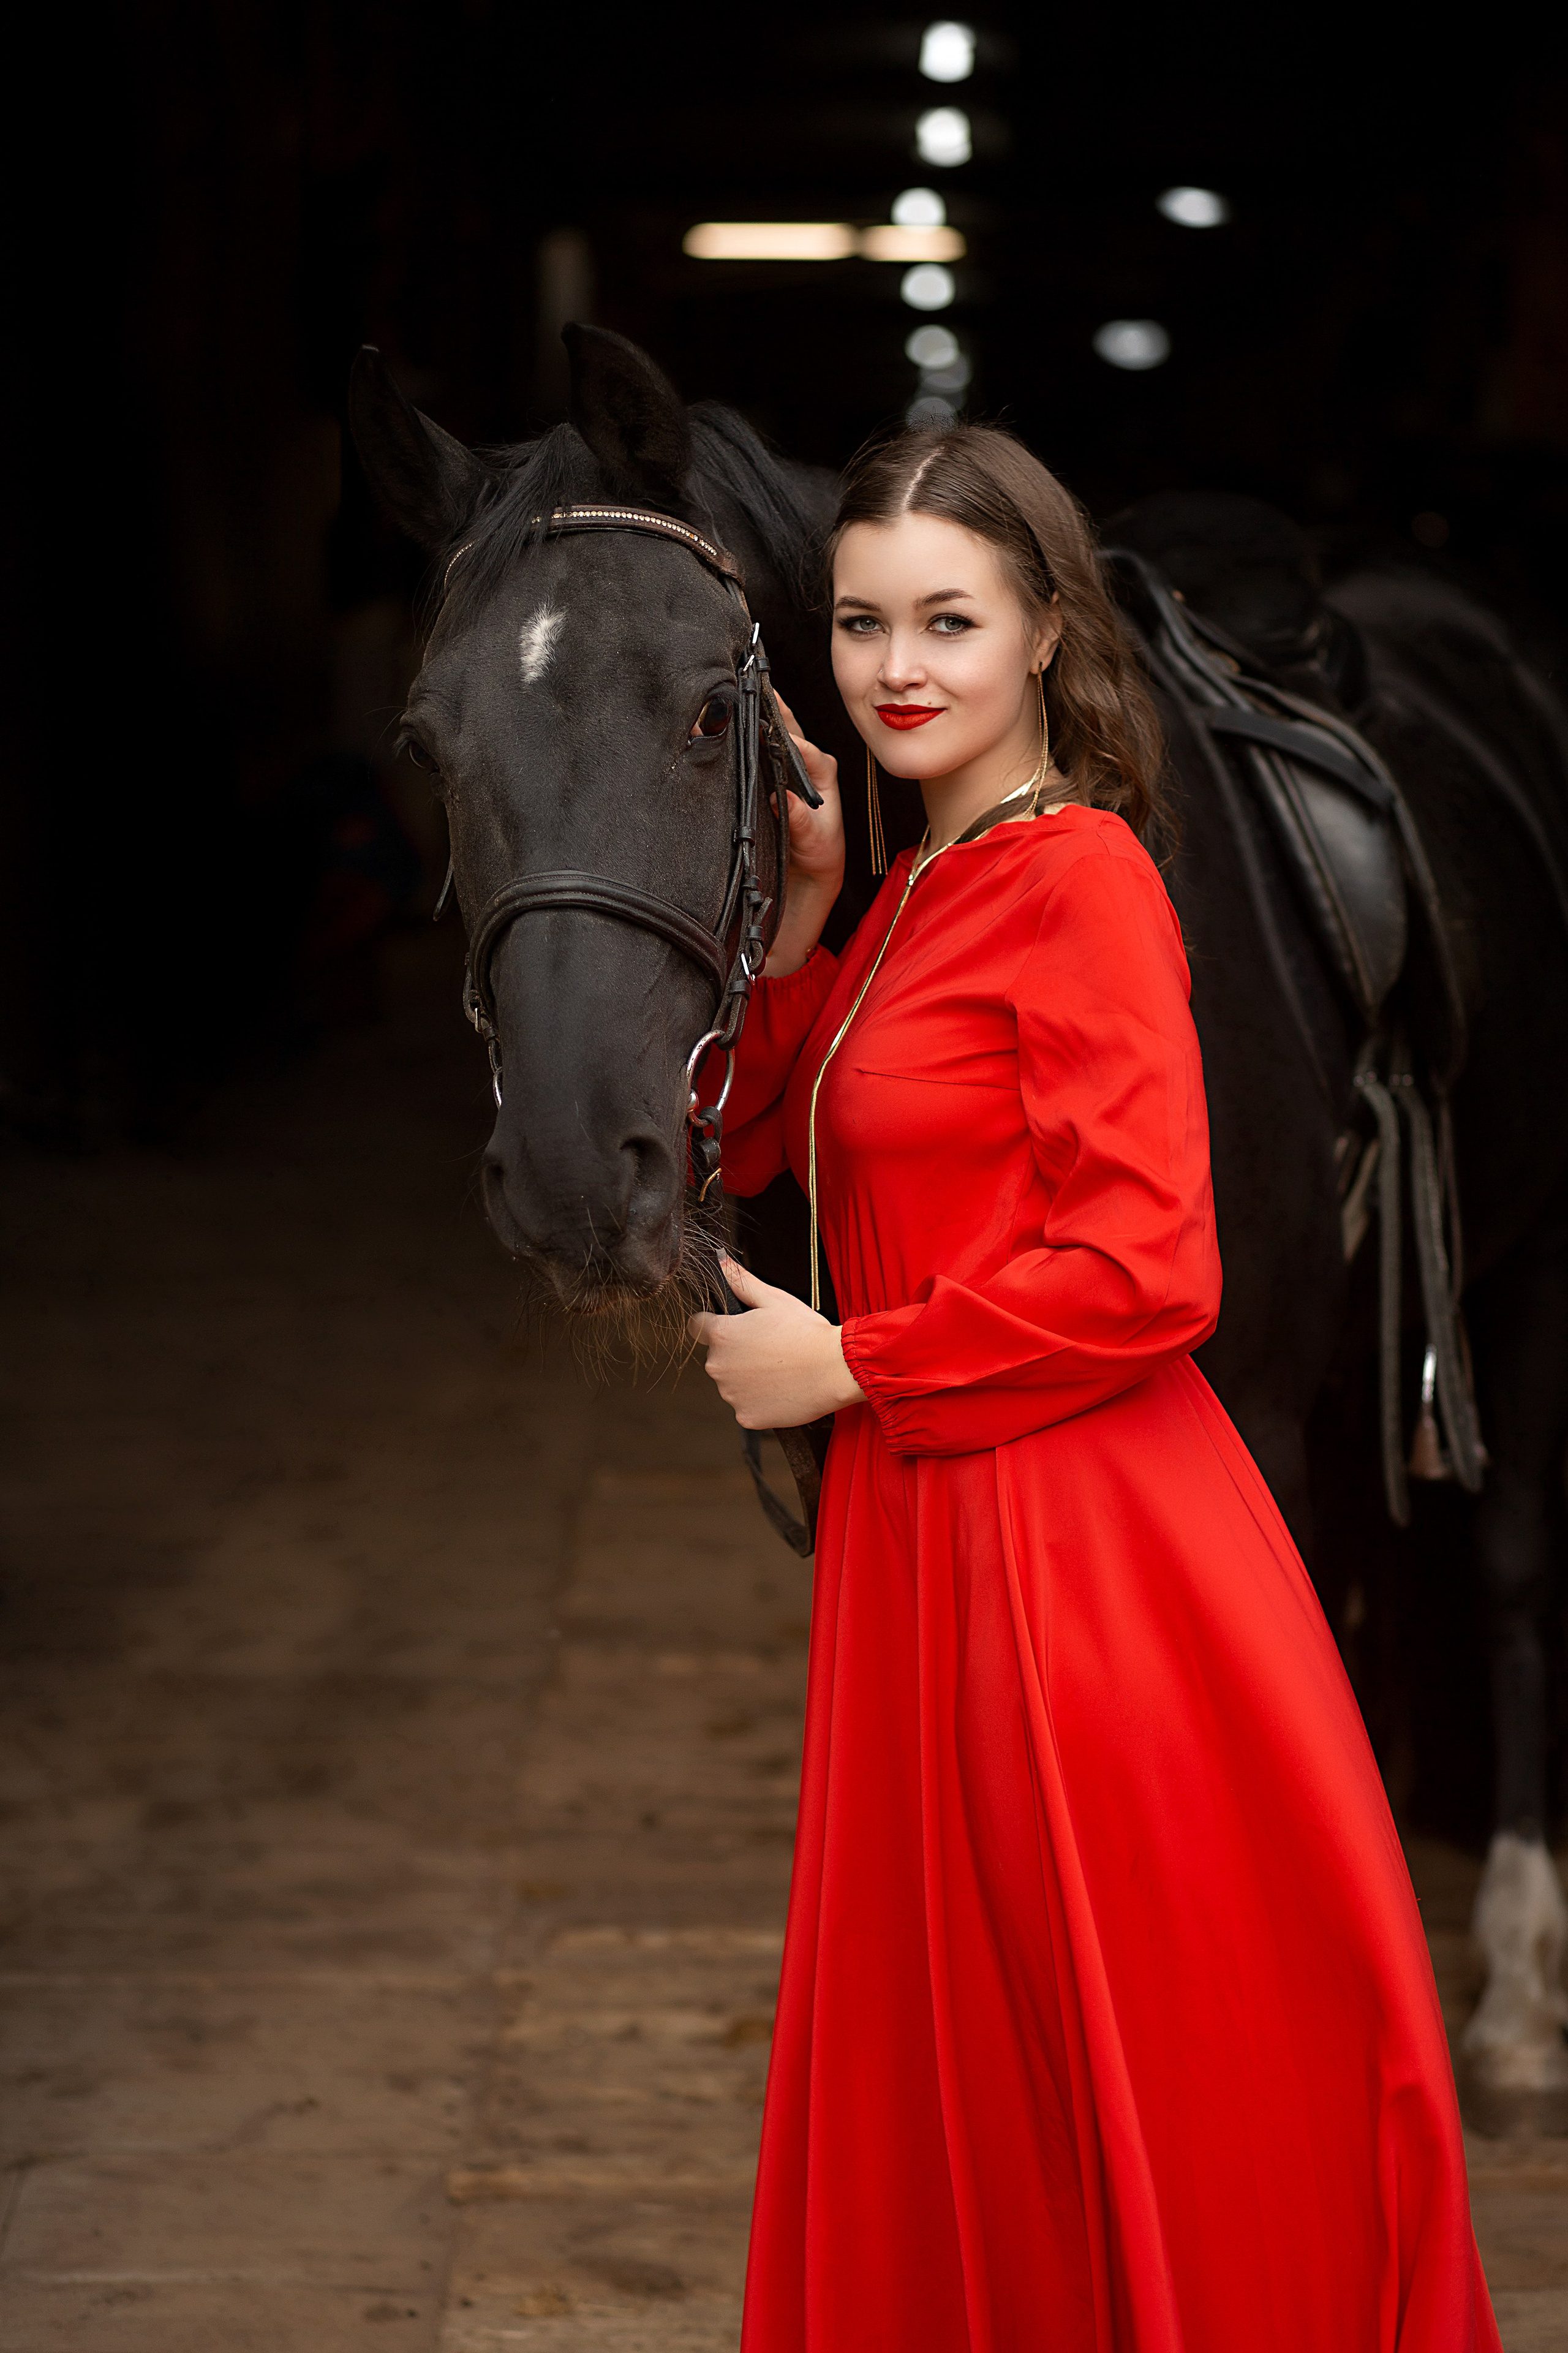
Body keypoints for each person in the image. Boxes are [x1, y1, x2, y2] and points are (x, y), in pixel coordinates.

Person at [687, 424, 1499, 2351]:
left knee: (1095, 2008)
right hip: (935, 1522)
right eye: (862, 621)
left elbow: (1155, 1266)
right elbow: (756, 1141)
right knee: (966, 2013)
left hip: (1074, 1548)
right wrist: (804, 925)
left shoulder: (1086, 884)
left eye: (950, 620)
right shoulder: (915, 890)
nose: (898, 666)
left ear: (1048, 631)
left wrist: (852, 1361)